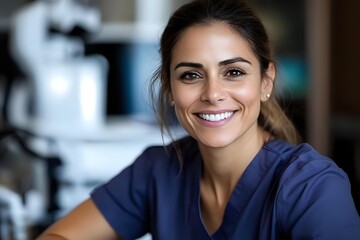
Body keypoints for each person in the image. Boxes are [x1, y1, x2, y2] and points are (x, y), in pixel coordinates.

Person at [36, 0, 360, 239]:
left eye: (233, 72)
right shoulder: (158, 171)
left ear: (265, 82)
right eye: (191, 75)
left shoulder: (313, 188)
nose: (213, 93)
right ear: (170, 88)